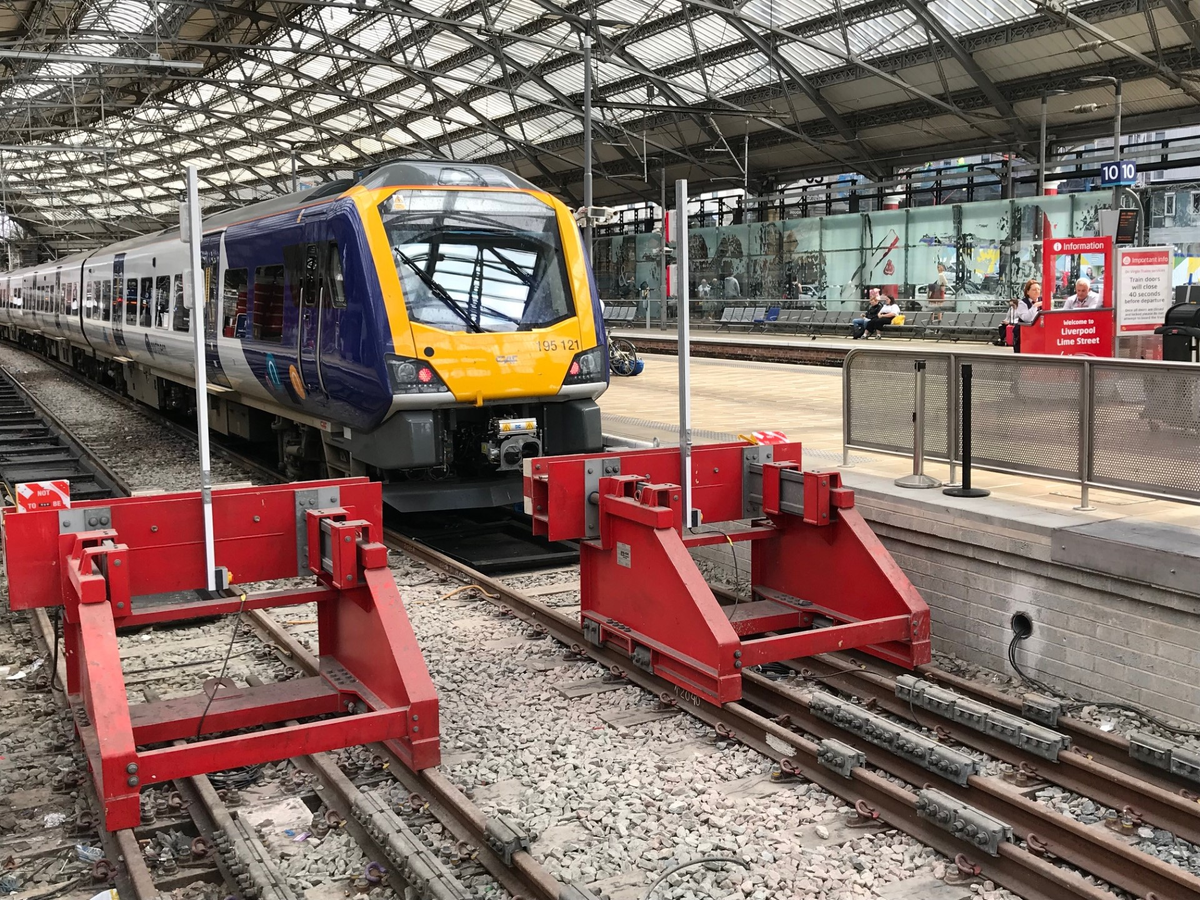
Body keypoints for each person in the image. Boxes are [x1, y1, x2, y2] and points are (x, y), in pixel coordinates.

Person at [996, 278, 1042, 351]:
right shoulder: (1022, 303)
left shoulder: (1042, 300)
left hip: (1037, 334)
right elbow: (1027, 319)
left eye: (1038, 289)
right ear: (1027, 292)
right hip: (1023, 334)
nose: (1037, 292)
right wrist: (1034, 306)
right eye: (1034, 290)